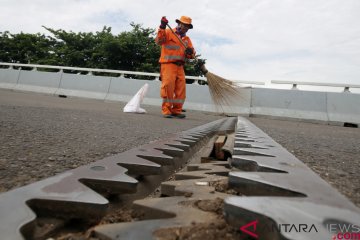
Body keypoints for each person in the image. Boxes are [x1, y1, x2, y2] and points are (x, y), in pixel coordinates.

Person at [155, 16, 196, 118]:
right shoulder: (169, 32)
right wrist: (162, 27)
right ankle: (166, 110)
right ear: (179, 23)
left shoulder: (187, 39)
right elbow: (159, 41)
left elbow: (192, 55)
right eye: (184, 25)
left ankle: (176, 110)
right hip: (168, 64)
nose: (185, 28)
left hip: (180, 67)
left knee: (181, 90)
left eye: (187, 26)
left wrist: (190, 53)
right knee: (168, 87)